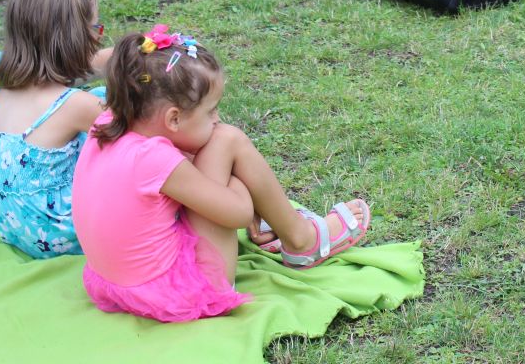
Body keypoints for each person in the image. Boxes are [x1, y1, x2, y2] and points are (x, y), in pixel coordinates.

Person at [71, 27, 370, 323]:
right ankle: (302, 241)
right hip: (181, 294)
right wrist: (239, 186)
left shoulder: (107, 123)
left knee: (215, 160)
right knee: (227, 139)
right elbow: (238, 214)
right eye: (210, 111)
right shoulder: (153, 158)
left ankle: (282, 224)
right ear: (173, 118)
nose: (217, 119)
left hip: (118, 287)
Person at [0, 0, 110, 257]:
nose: (99, 37)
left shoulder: (11, 87)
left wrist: (126, 55)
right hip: (65, 234)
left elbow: (84, 69)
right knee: (115, 113)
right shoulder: (75, 106)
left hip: (16, 226)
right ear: (72, 39)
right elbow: (142, 129)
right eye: (95, 28)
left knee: (99, 100)